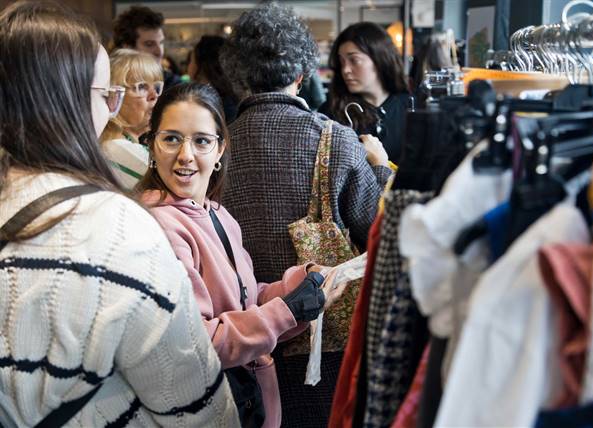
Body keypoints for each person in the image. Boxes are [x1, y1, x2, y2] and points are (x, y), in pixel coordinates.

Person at [0, 1, 238, 426]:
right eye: (106, 94)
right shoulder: (116, 227)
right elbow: (194, 404)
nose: (111, 107)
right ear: (68, 101)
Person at [135, 83, 346, 428]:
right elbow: (193, 342)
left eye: (201, 141)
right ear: (152, 146)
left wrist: (298, 284)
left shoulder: (219, 214)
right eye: (171, 138)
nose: (185, 155)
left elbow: (244, 302)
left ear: (220, 149)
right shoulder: (158, 223)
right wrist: (287, 311)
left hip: (247, 403)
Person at [220, 4, 392, 426]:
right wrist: (382, 168)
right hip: (322, 336)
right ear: (301, 74)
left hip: (240, 337)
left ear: (237, 77)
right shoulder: (336, 138)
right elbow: (377, 231)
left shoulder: (216, 144)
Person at [319, 22, 412, 165]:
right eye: (341, 62)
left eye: (354, 60)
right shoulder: (330, 113)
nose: (345, 70)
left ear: (380, 58)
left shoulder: (412, 106)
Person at [100, 48, 163, 188]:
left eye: (157, 87)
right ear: (113, 97)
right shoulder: (114, 148)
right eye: (142, 87)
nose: (154, 95)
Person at [112, 5, 181, 89]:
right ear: (127, 47)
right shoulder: (107, 83)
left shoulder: (173, 85)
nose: (160, 52)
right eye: (149, 44)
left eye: (161, 42)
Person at [188, 35, 238, 123]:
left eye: (191, 60)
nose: (188, 66)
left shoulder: (204, 101)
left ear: (200, 64)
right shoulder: (232, 99)